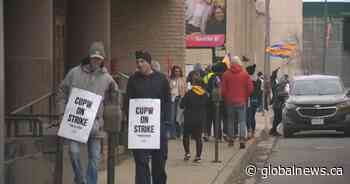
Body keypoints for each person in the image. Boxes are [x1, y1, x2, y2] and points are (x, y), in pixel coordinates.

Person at [57, 41, 121, 184]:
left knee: (95, 158)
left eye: (99, 59)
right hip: (75, 121)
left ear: (103, 59)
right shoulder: (74, 73)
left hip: (95, 123)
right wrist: (62, 113)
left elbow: (115, 98)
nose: (96, 61)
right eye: (94, 58)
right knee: (74, 153)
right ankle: (80, 180)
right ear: (89, 57)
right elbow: (61, 90)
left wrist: (109, 113)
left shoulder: (107, 78)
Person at [125, 50, 171, 184]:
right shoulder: (133, 80)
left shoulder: (161, 79)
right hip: (140, 129)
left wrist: (167, 124)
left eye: (142, 61)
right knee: (141, 163)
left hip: (158, 127)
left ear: (149, 63)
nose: (139, 64)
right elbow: (128, 102)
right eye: (137, 61)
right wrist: (130, 122)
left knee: (159, 162)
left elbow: (168, 102)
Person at [221, 56, 253, 149]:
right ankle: (242, 139)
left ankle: (231, 139)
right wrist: (245, 96)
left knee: (230, 121)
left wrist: (226, 97)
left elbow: (223, 90)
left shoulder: (226, 74)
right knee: (242, 121)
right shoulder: (245, 74)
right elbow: (250, 89)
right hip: (241, 101)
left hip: (230, 101)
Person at [180, 71, 209, 162]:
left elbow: (181, 105)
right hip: (200, 118)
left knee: (186, 136)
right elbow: (207, 105)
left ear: (193, 84)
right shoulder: (204, 94)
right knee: (198, 137)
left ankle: (187, 153)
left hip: (189, 118)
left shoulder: (189, 93)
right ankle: (198, 156)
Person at [169, 65, 187, 139]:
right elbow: (168, 89)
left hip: (180, 98)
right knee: (172, 117)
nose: (177, 73)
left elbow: (185, 89)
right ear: (173, 72)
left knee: (179, 117)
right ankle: (173, 134)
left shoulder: (183, 79)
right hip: (173, 99)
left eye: (178, 71)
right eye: (176, 71)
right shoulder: (170, 79)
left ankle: (180, 134)